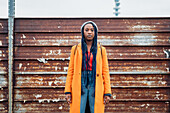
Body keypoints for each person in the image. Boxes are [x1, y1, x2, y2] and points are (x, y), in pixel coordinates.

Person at [64, 21, 111, 113]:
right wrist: (68, 91)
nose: (89, 32)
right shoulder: (75, 49)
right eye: (87, 30)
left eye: (92, 30)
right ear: (83, 32)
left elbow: (105, 71)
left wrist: (107, 92)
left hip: (95, 82)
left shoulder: (101, 50)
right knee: (80, 109)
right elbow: (71, 70)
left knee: (94, 109)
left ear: (95, 33)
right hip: (80, 82)